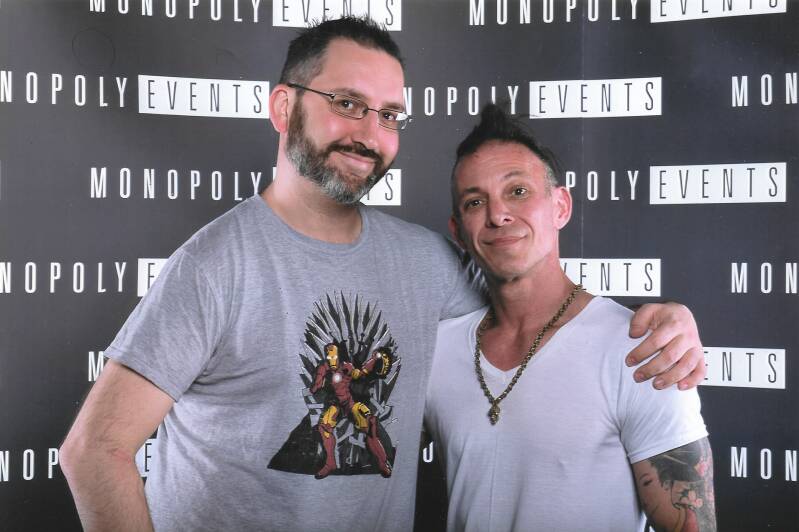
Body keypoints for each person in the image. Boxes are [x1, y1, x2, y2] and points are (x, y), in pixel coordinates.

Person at [60, 17, 706, 532]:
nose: (370, 134)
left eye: (389, 115)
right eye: (348, 103)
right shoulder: (214, 266)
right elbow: (94, 451)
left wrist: (664, 319)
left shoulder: (428, 262)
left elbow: (531, 302)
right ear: (283, 107)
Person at [425, 104, 716, 532]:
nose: (497, 214)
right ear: (458, 232)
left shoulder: (644, 350)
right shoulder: (436, 349)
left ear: (560, 206)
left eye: (518, 191)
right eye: (475, 201)